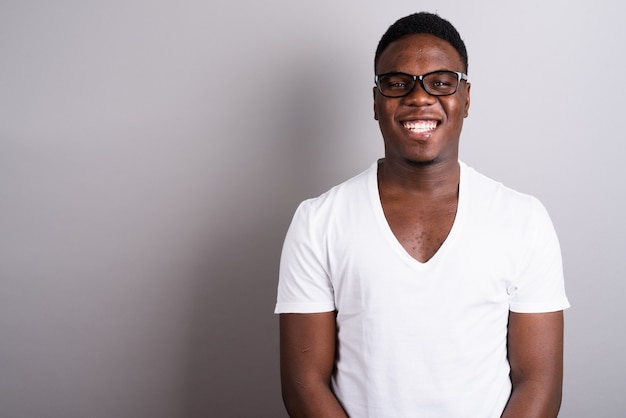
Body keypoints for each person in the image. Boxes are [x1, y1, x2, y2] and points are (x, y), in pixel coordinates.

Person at [275, 12, 569, 418]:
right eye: (397, 84)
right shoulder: (317, 222)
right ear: (376, 103)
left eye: (441, 82)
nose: (419, 97)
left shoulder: (523, 219)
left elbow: (539, 383)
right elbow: (303, 383)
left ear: (466, 98)